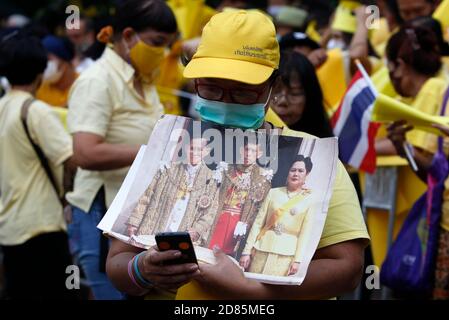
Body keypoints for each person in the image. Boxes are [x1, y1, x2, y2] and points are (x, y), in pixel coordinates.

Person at [106, 10, 369, 300]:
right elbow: (118, 262)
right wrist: (142, 269)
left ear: (273, 87)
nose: (225, 103)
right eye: (211, 89)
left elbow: (348, 267)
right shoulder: (169, 149)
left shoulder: (311, 159)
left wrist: (252, 291)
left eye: (243, 93)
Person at [66, 0, 177, 300]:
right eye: (157, 43)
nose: (163, 53)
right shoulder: (97, 81)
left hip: (137, 213)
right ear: (128, 36)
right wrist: (155, 153)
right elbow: (85, 153)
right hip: (101, 211)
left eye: (168, 45)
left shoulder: (144, 80)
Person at [0, 32, 76, 299]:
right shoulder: (36, 111)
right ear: (41, 70)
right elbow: (71, 158)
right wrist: (68, 196)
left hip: (10, 227)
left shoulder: (3, 107)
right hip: (42, 226)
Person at [123, 137, 219, 246]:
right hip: (155, 226)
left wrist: (196, 230)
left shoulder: (212, 179)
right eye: (192, 148)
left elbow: (211, 213)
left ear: (206, 152)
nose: (195, 153)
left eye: (200, 149)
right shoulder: (168, 168)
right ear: (187, 148)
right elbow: (147, 196)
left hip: (182, 232)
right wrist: (134, 222)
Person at [240, 156, 314, 277]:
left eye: (300, 171)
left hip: (285, 255)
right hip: (261, 248)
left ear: (307, 174)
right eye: (293, 170)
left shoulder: (309, 200)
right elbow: (258, 223)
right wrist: (246, 251)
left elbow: (304, 234)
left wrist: (297, 260)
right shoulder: (273, 193)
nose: (296, 174)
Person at [206, 140, 272, 258]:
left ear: (259, 154)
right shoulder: (227, 168)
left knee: (226, 257)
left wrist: (247, 223)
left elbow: (259, 209)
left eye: (253, 151)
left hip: (239, 223)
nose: (249, 154)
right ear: (242, 150)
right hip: (218, 217)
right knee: (208, 251)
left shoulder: (262, 177)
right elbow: (213, 193)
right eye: (247, 150)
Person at [270, 51, 333, 138]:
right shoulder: (248, 137)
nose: (283, 101)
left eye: (295, 93)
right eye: (275, 91)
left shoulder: (321, 144)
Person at [36, 35, 78, 108]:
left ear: (65, 62)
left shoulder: (83, 83)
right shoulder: (39, 90)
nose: (43, 65)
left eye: (48, 59)